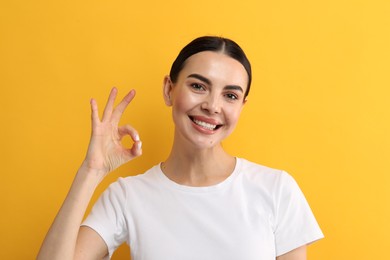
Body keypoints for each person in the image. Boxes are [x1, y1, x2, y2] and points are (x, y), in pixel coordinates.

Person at [38, 36, 323, 260]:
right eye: (199, 86)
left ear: (241, 106)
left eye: (230, 95)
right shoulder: (127, 196)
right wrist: (91, 171)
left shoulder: (276, 189)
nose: (213, 106)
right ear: (168, 90)